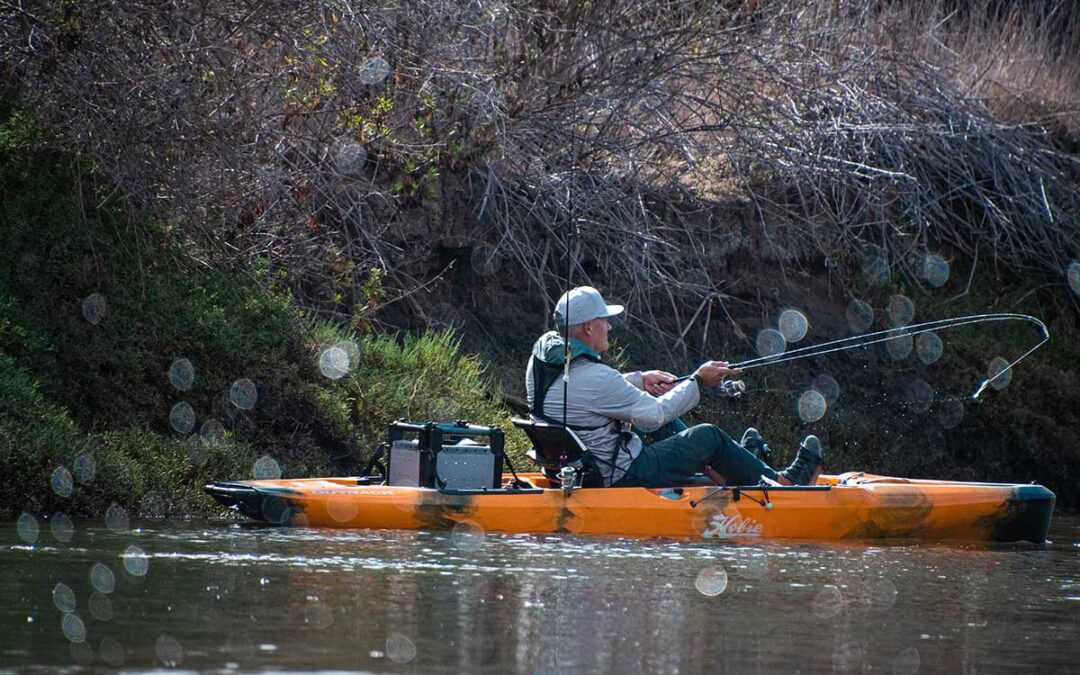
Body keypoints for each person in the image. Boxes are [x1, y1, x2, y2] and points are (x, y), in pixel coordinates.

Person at [525, 285, 824, 488]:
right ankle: (782, 484)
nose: (610, 327)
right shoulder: (595, 378)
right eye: (605, 321)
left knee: (658, 427)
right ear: (589, 327)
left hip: (578, 465)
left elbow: (586, 395)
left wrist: (640, 379)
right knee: (708, 437)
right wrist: (698, 381)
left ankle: (735, 466)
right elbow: (655, 414)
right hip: (616, 474)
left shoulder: (544, 362)